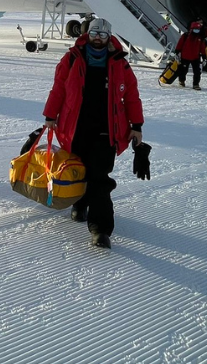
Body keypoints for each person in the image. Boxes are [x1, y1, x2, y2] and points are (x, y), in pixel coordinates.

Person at [42, 17, 145, 249]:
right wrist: (50, 116)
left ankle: (101, 230)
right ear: (87, 34)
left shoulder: (120, 63)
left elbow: (131, 96)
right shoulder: (71, 58)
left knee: (100, 178)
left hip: (107, 130)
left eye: (103, 34)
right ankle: (80, 204)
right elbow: (58, 88)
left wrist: (136, 125)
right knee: (77, 170)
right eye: (94, 33)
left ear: (109, 37)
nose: (98, 38)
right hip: (75, 127)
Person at [174, 21, 207, 90]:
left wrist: (204, 56)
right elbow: (180, 44)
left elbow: (202, 47)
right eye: (195, 29)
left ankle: (196, 84)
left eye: (198, 29)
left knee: (197, 71)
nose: (197, 30)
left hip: (195, 57)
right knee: (183, 70)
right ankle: (182, 80)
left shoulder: (200, 38)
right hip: (185, 56)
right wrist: (177, 51)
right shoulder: (185, 36)